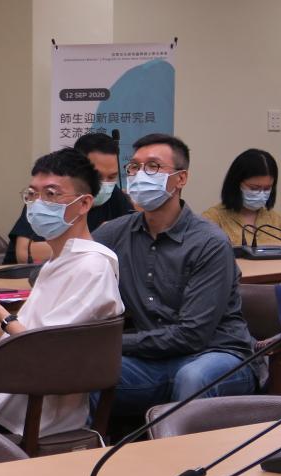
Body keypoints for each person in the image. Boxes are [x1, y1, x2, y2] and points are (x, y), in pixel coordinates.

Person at [0, 149, 123, 438]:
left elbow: (43, 353)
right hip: (11, 391)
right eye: (33, 194)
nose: (38, 204)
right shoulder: (60, 261)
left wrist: (1, 316)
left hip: (28, 410)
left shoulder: (91, 267)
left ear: (85, 203)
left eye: (51, 194)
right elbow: (27, 340)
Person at [94, 133, 256, 414]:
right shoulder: (117, 232)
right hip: (152, 361)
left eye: (153, 167)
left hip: (215, 354)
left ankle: (180, 446)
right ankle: (89, 442)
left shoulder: (209, 242)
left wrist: (112, 343)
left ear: (181, 179)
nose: (140, 175)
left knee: (192, 377)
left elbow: (192, 335)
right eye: (134, 167)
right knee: (83, 370)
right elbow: (63, 266)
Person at [7, 131, 132, 263]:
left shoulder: (115, 195)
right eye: (98, 176)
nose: (104, 184)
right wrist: (98, 240)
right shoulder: (47, 196)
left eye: (111, 177)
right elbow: (24, 254)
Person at [202, 148, 281, 247]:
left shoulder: (276, 220)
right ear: (236, 184)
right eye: (254, 188)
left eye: (267, 188)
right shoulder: (212, 219)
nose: (261, 194)